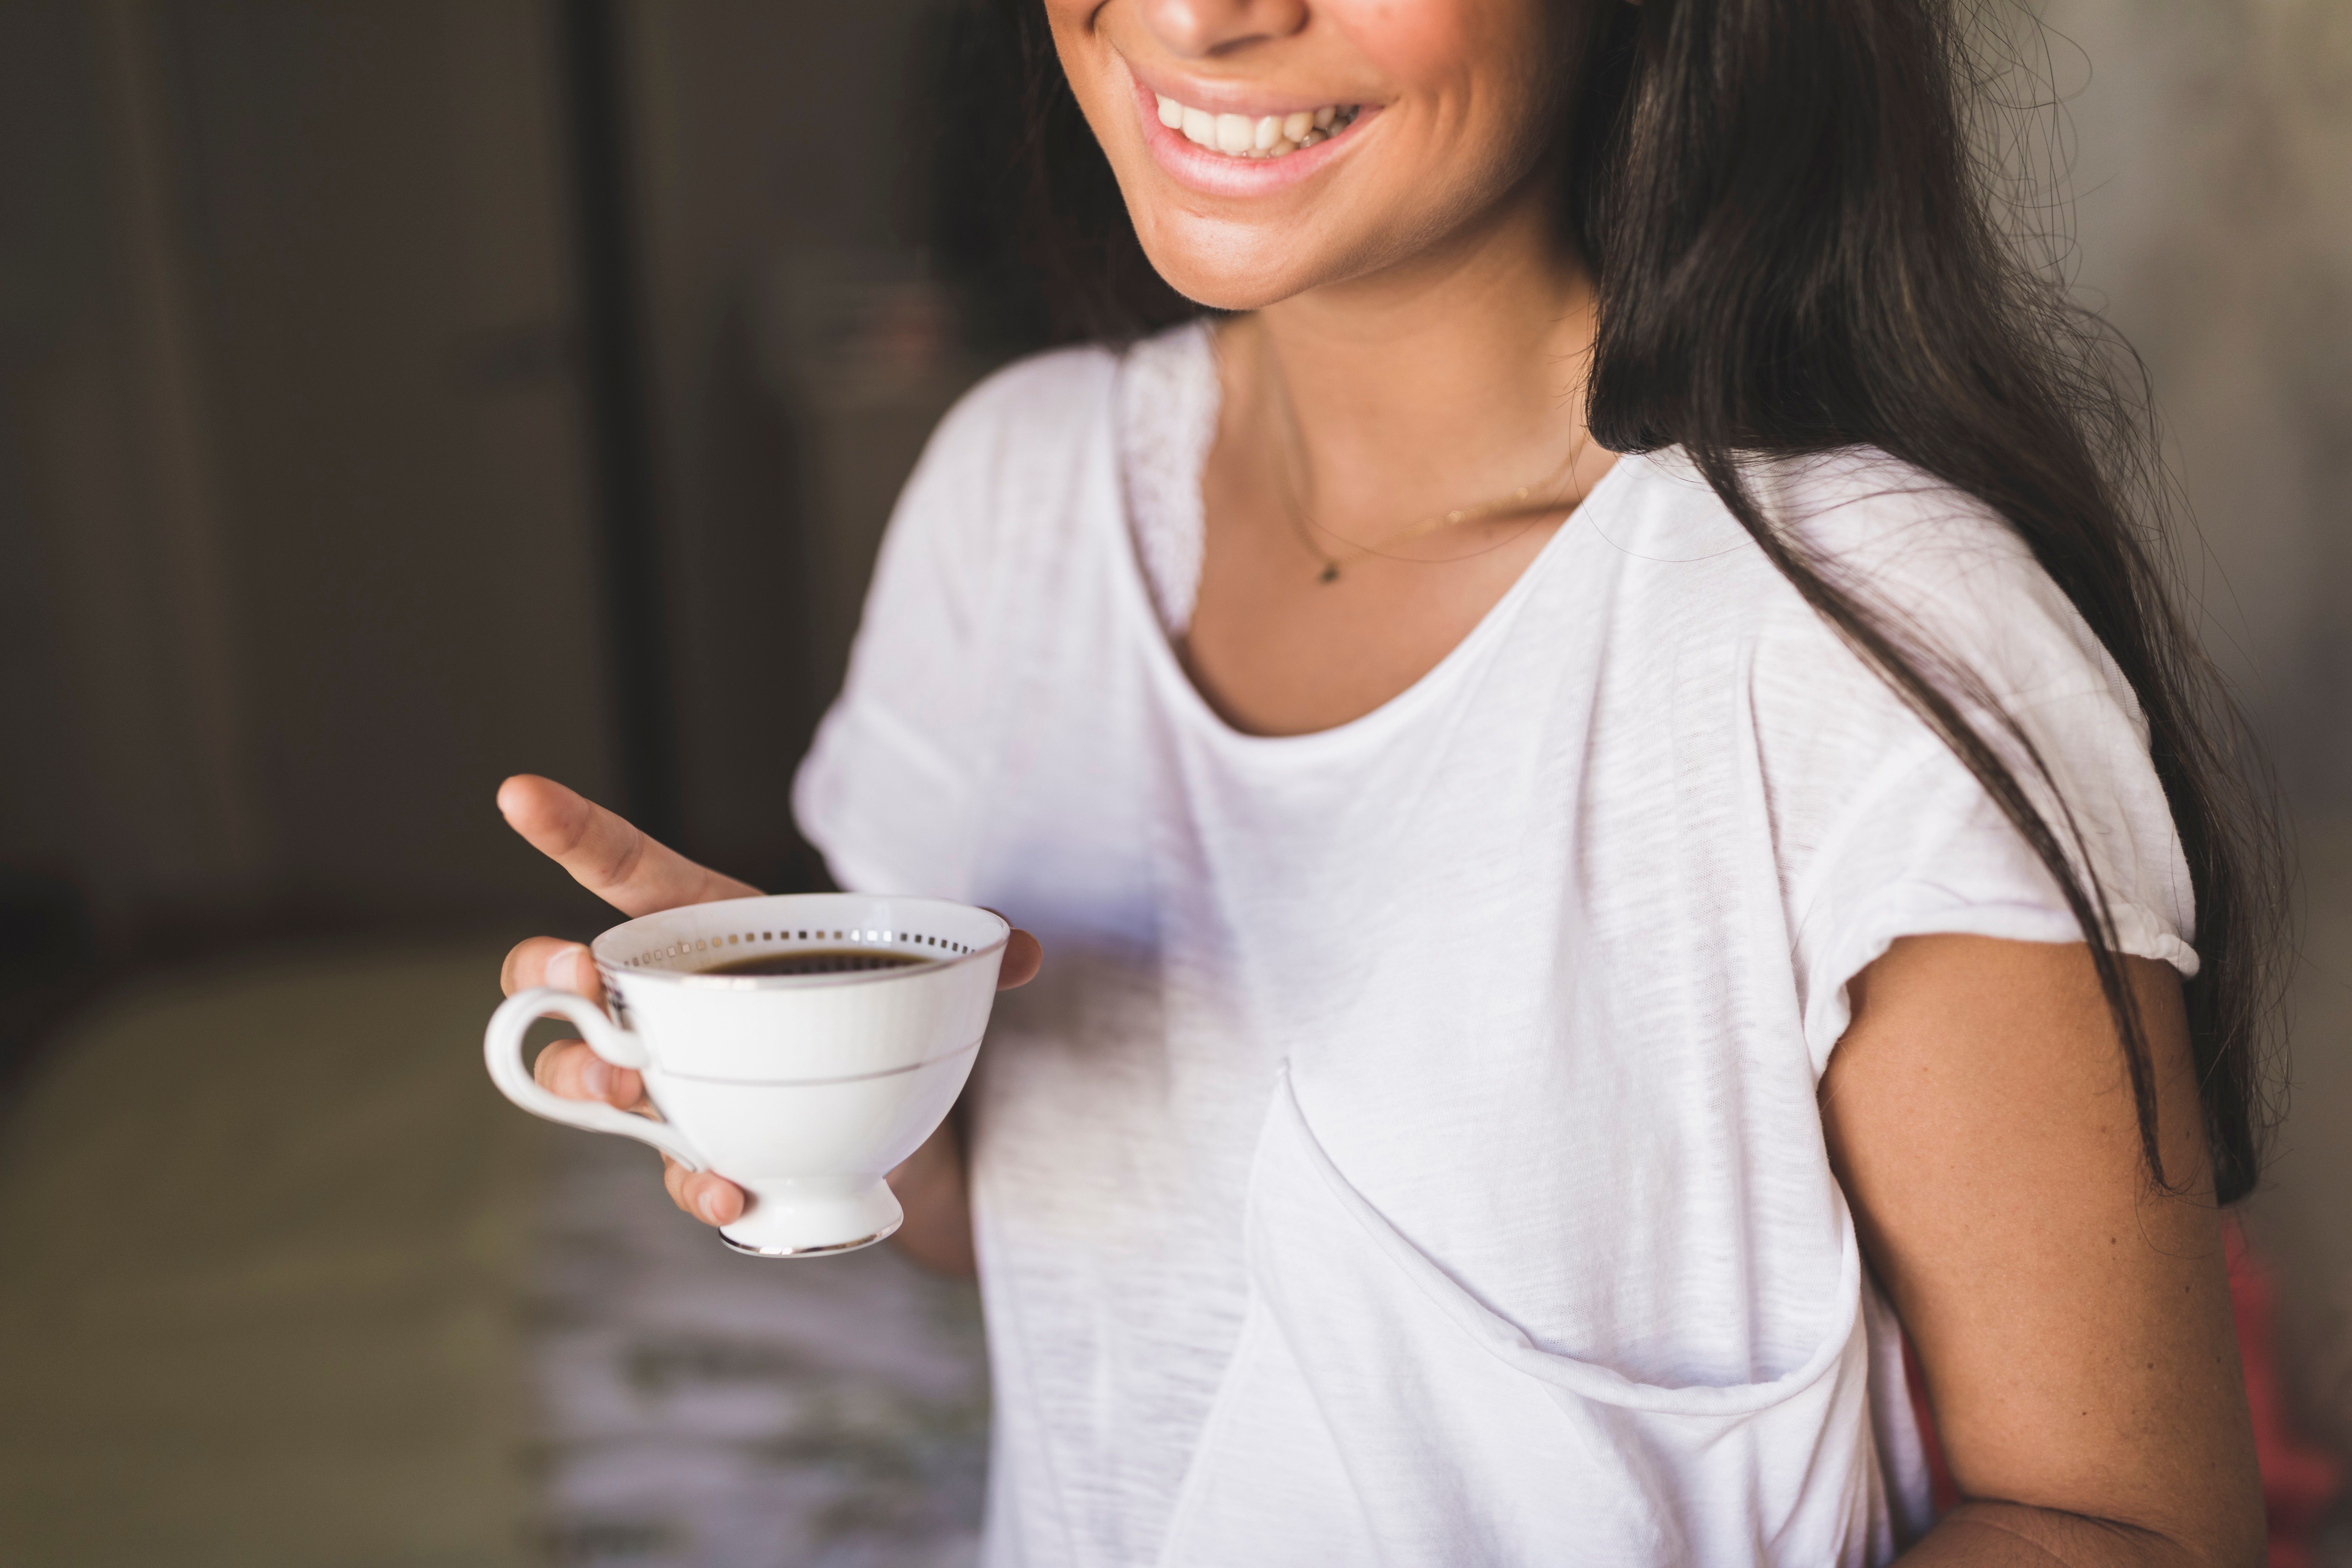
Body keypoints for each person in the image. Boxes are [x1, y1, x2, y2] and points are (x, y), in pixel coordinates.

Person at [497, 0, 2286, 1560]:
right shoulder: (1011, 502)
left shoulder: (1859, 637)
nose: (1195, 16)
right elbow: (1083, 1250)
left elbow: (2126, 1526)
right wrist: (823, 1093)